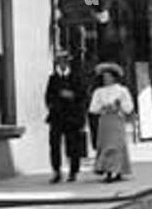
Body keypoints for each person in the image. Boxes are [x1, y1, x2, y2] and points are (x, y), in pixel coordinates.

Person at [45, 48, 87, 183]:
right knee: (55, 145)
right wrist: (54, 102)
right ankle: (56, 171)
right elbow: (48, 97)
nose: (62, 64)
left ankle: (73, 171)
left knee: (73, 145)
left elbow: (82, 96)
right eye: (60, 62)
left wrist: (72, 96)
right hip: (57, 117)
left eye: (65, 62)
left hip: (72, 117)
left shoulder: (76, 77)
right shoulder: (53, 79)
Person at [89, 63, 134, 182]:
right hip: (104, 121)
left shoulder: (122, 90)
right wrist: (103, 107)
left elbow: (129, 107)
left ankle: (118, 170)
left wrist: (119, 106)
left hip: (117, 120)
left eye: (108, 76)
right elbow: (93, 108)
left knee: (117, 145)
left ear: (114, 77)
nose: (106, 79)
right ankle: (108, 171)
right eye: (104, 77)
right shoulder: (99, 92)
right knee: (105, 145)